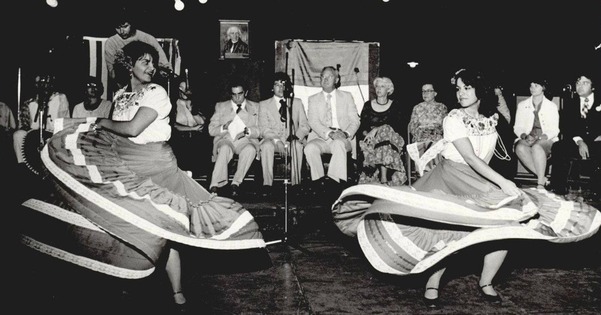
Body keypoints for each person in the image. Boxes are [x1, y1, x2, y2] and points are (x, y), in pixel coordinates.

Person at [18, 41, 267, 310]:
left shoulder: (156, 91)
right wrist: (73, 128)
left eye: (153, 62)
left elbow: (134, 128)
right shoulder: (120, 96)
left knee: (164, 227)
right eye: (145, 62)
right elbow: (114, 132)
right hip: (128, 163)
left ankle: (177, 292)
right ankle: (127, 281)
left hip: (157, 163)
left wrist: (99, 122)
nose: (152, 67)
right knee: (126, 223)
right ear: (129, 66)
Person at [332, 68, 601, 309]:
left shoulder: (490, 120)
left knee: (505, 226)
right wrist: (504, 182)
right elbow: (470, 158)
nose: (461, 93)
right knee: (446, 233)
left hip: (477, 180)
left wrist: (497, 182)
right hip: (450, 178)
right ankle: (432, 283)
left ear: (479, 90)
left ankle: (486, 282)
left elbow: (490, 150)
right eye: (458, 88)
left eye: (467, 88)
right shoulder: (453, 118)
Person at [304, 66, 360, 192]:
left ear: (336, 79)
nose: (325, 79)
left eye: (329, 77)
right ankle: (318, 183)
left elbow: (355, 120)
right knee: (310, 148)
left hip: (342, 137)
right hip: (322, 137)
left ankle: (334, 184)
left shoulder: (347, 96)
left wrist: (345, 133)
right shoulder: (313, 99)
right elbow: (313, 122)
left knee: (339, 144)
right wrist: (330, 133)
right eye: (322, 77)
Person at [258, 72, 310, 195]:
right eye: (277, 85)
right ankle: (267, 185)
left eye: (283, 85)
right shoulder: (264, 105)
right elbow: (264, 128)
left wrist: (294, 137)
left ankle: (296, 184)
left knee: (297, 146)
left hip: (292, 140)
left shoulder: (296, 103)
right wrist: (278, 141)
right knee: (266, 146)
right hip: (273, 141)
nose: (280, 88)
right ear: (272, 87)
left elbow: (304, 125)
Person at [550, 72, 600, 197]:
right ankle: (558, 188)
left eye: (585, 83)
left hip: (598, 141)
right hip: (578, 141)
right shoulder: (570, 103)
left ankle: (597, 190)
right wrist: (580, 141)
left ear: (593, 87)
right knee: (558, 147)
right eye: (578, 83)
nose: (580, 86)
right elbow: (566, 127)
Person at [208, 77, 260, 197]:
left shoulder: (256, 106)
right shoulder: (221, 106)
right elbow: (211, 129)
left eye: (240, 94)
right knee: (225, 148)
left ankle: (236, 183)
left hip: (245, 140)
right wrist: (223, 128)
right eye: (234, 94)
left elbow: (260, 129)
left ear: (246, 92)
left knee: (250, 150)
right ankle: (216, 184)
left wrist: (249, 131)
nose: (237, 98)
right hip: (226, 139)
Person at [356, 76, 407, 186]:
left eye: (382, 86)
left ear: (389, 89)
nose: (379, 89)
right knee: (382, 142)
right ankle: (381, 178)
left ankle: (383, 177)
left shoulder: (395, 105)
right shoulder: (368, 105)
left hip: (392, 139)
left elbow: (397, 126)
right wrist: (368, 135)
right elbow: (362, 127)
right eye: (377, 86)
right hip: (372, 139)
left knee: (385, 131)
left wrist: (377, 129)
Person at [104, 9, 171, 88]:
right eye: (117, 28)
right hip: (124, 86)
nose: (121, 31)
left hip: (149, 85)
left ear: (132, 24)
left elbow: (164, 65)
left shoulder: (147, 38)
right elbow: (112, 72)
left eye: (125, 26)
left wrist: (163, 71)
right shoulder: (111, 43)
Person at [513, 78, 559, 189]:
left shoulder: (551, 106)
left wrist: (542, 137)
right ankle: (542, 177)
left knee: (537, 147)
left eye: (536, 86)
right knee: (519, 147)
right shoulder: (522, 105)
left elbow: (554, 129)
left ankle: (540, 184)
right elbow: (517, 127)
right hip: (529, 137)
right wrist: (524, 135)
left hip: (546, 137)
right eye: (531, 86)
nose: (532, 88)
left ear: (543, 87)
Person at [13, 74, 70, 165]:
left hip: (54, 134)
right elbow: (28, 125)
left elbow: (63, 122)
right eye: (39, 83)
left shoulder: (60, 98)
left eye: (46, 83)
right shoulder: (31, 103)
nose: (43, 86)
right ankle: (23, 165)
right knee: (18, 135)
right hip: (35, 133)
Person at [169, 76, 209, 177]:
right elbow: (174, 125)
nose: (184, 91)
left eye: (186, 88)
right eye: (181, 88)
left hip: (196, 141)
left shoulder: (196, 103)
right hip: (180, 141)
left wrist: (191, 108)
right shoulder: (173, 104)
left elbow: (202, 123)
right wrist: (192, 128)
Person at [407, 82, 448, 173]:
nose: (425, 93)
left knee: (435, 144)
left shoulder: (442, 107)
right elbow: (412, 126)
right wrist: (421, 131)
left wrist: (433, 130)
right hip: (421, 137)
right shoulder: (417, 108)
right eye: (423, 91)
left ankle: (433, 173)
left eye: (429, 91)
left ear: (435, 93)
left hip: (436, 137)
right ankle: (424, 173)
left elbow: (445, 126)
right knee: (424, 143)